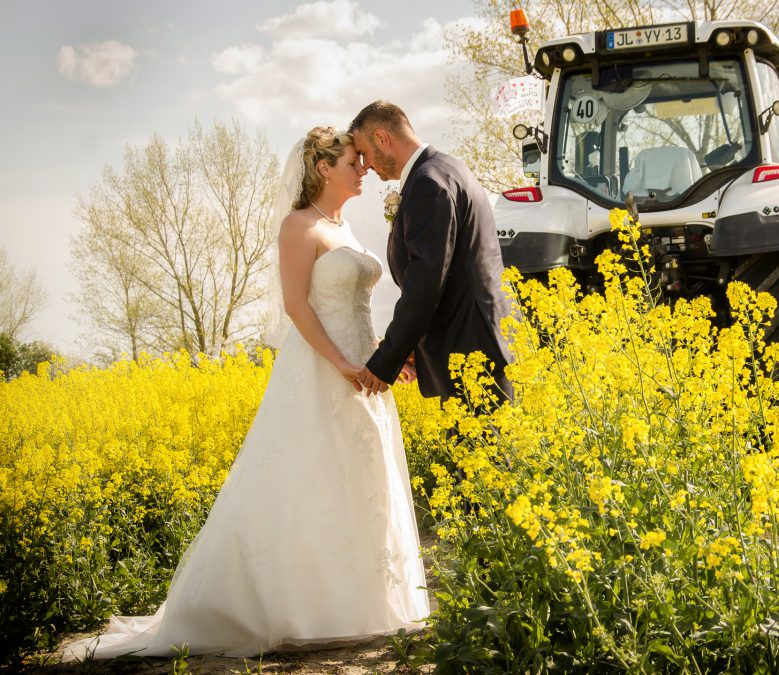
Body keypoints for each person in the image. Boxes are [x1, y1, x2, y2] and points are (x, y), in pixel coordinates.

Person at [62, 127, 430, 661]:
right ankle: (300, 607)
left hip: (363, 371)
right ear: (323, 168)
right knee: (309, 479)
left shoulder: (345, 228)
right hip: (324, 369)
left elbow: (352, 308)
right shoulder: (298, 227)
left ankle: (364, 602)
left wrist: (384, 355)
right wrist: (343, 364)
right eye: (353, 161)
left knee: (361, 477)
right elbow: (298, 309)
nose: (364, 169)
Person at [348, 101, 513, 405]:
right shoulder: (447, 169)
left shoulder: (427, 183)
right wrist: (414, 345)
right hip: (475, 346)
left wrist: (387, 360)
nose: (366, 166)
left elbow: (425, 283)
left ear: (383, 138)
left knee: (482, 450)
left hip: (470, 354)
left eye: (365, 153)